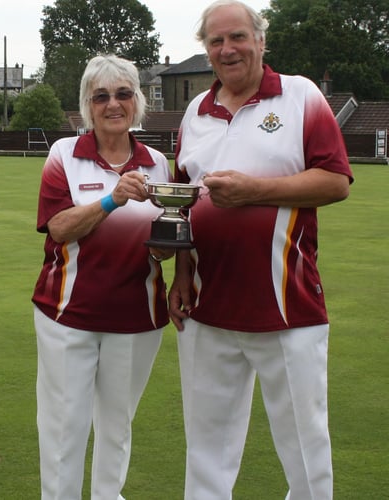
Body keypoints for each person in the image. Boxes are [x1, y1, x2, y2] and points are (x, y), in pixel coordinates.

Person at [169, 1, 353, 499]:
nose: (227, 50)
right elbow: (182, 202)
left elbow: (336, 181)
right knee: (207, 450)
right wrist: (182, 272)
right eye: (215, 41)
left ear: (260, 40)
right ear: (206, 49)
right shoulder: (195, 111)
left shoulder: (299, 96)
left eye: (237, 37)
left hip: (287, 305)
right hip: (207, 307)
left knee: (305, 450)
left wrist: (253, 190)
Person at [32, 54, 173, 500]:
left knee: (117, 426)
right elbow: (58, 227)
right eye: (101, 97)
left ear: (138, 102)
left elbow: (164, 246)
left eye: (123, 94)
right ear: (87, 106)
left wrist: (171, 246)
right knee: (63, 430)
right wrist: (111, 201)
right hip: (68, 314)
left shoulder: (157, 164)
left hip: (137, 316)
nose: (113, 104)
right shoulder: (64, 155)